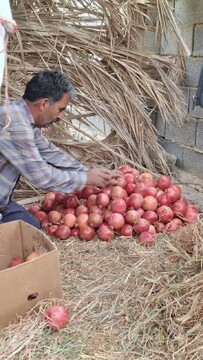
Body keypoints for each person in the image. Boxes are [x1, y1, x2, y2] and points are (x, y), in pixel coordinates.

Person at [0, 69, 121, 228]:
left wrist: (87, 172)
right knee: (23, 237)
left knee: (31, 227)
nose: (61, 117)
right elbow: (42, 177)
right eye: (61, 109)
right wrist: (85, 179)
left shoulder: (22, 116)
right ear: (44, 104)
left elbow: (50, 153)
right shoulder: (15, 125)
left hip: (3, 202)